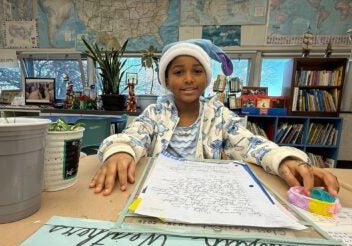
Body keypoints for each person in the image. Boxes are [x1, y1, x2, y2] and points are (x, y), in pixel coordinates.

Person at [89, 39, 339, 197]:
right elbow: (132, 136)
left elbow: (250, 143)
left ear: (207, 79)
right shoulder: (155, 113)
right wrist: (121, 152)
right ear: (166, 80)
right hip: (158, 193)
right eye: (178, 72)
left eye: (197, 71)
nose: (188, 78)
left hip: (206, 194)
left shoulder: (218, 114)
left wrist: (284, 159)